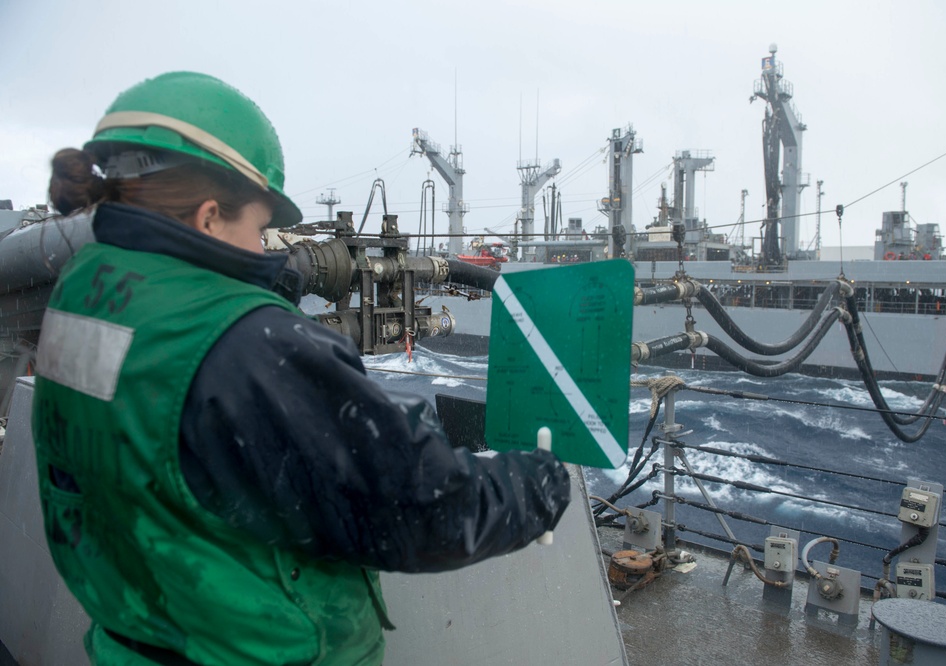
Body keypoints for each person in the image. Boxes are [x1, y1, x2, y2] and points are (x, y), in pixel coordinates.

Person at [32, 72, 570, 666]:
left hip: (137, 633)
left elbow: (163, 408)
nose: (268, 250)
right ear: (211, 216)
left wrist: (255, 287)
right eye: (260, 230)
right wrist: (535, 487)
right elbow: (421, 507)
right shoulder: (253, 346)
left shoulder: (84, 289)